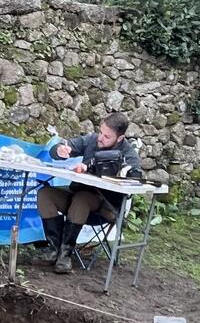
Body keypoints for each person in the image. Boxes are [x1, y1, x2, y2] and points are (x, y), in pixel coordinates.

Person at [36, 111, 143, 275]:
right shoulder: (92, 140)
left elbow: (133, 180)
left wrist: (93, 168)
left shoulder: (129, 156)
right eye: (101, 132)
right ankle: (55, 250)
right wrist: (60, 151)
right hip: (76, 197)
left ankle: (65, 256)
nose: (101, 138)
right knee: (44, 194)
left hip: (107, 207)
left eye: (107, 136)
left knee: (82, 198)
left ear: (119, 138)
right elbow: (62, 148)